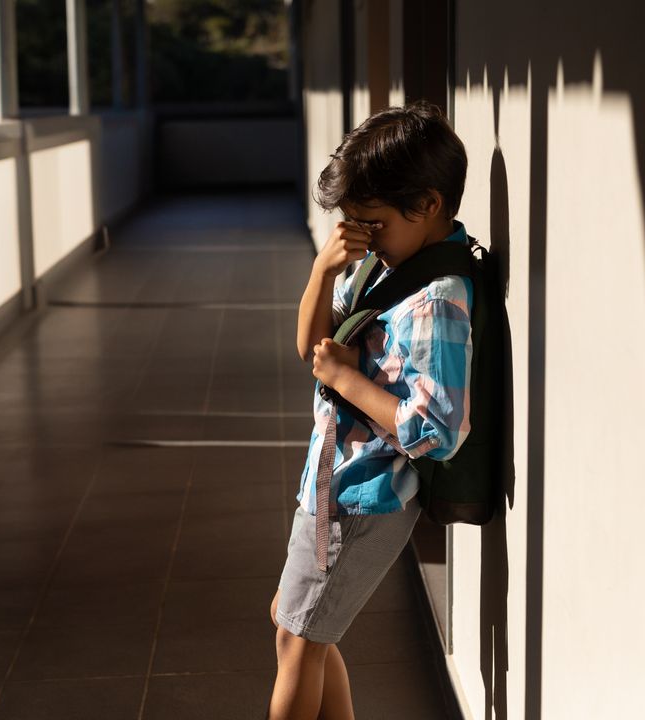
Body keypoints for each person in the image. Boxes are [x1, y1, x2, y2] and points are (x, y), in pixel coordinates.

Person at [267, 100, 472, 720]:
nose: (361, 236)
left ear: (429, 204)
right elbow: (312, 348)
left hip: (367, 497)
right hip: (332, 481)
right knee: (293, 626)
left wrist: (344, 379)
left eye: (371, 221)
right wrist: (324, 270)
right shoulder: (382, 269)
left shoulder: (436, 299)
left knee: (301, 638)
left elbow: (438, 432)